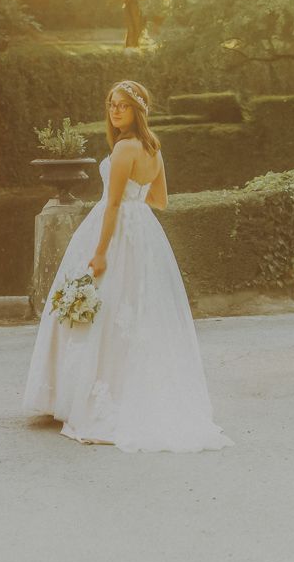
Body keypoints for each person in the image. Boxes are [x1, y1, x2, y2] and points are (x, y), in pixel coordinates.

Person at [23, 81, 229, 452]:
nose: (115, 110)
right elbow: (160, 200)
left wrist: (101, 252)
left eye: (123, 105)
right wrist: (138, 200)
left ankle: (82, 395)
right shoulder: (153, 148)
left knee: (104, 306)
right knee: (134, 307)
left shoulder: (124, 148)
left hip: (115, 229)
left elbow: (113, 204)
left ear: (138, 111)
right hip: (144, 232)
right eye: (112, 104)